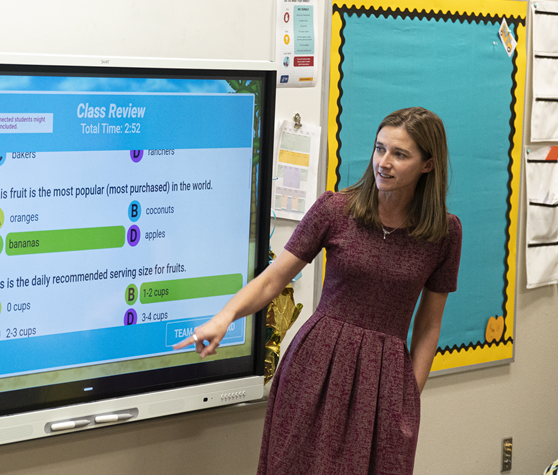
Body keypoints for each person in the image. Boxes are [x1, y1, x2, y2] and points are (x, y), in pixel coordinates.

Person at [175, 107, 462, 474]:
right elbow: (272, 279)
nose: (384, 162)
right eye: (379, 149)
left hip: (385, 382)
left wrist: (409, 394)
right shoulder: (335, 210)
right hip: (317, 368)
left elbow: (429, 325)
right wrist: (225, 316)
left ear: (428, 165)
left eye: (400, 154)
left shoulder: (444, 234)